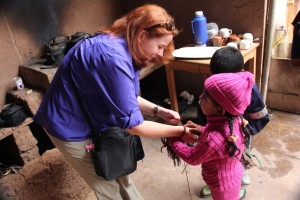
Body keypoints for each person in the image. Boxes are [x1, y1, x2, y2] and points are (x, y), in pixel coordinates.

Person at [33, 4, 198, 200]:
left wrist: (158, 111)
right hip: (70, 125)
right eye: (160, 46)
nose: (161, 54)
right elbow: (134, 126)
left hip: (94, 116)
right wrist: (180, 131)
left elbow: (124, 96)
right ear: (142, 35)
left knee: (120, 171)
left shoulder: (125, 46)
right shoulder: (112, 58)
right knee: (106, 184)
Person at [192, 47, 269, 198]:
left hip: (238, 134)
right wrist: (203, 130)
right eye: (215, 76)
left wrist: (244, 132)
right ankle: (214, 184)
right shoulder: (212, 84)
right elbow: (203, 107)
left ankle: (238, 183)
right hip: (216, 131)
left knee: (237, 159)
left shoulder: (249, 88)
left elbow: (260, 115)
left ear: (240, 71)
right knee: (216, 161)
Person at [170, 71, 254, 200]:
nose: (200, 97)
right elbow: (220, 140)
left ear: (220, 110)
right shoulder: (234, 120)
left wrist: (174, 139)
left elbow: (192, 157)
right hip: (232, 177)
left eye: (205, 98)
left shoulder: (214, 140)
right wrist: (202, 130)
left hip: (221, 186)